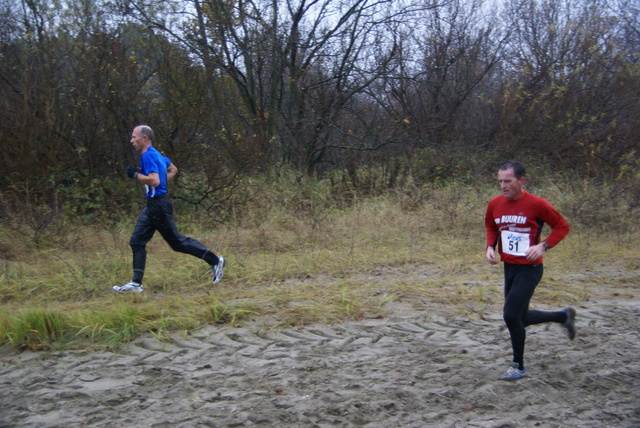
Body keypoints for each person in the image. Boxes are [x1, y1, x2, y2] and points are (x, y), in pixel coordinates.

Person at [485, 160, 575, 381]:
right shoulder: (495, 204)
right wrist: (490, 247)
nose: (503, 186)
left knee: (509, 315)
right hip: (510, 267)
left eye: (508, 181)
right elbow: (491, 226)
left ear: (521, 180)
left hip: (531, 268)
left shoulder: (537, 204)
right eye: (500, 181)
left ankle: (518, 366)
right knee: (521, 318)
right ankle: (562, 316)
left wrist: (542, 245)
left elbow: (562, 226)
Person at [113, 125, 225, 293]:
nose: (131, 140)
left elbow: (154, 181)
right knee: (136, 241)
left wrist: (135, 175)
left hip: (158, 205)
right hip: (152, 205)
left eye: (134, 137)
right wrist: (161, 184)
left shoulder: (148, 156)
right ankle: (136, 284)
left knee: (177, 243)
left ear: (144, 138)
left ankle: (215, 260)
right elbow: (173, 169)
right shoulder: (158, 155)